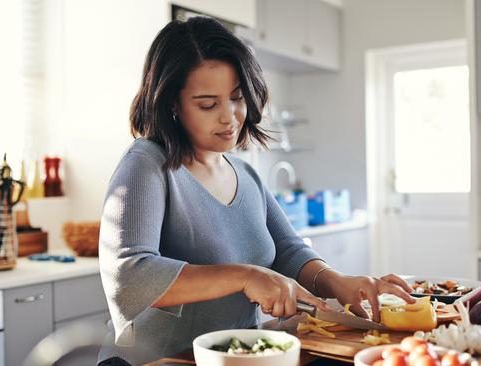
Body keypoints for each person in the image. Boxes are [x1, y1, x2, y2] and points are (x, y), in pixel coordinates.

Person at [97, 16, 415, 366]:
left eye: (236, 98)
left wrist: (336, 281)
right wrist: (246, 276)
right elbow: (129, 275)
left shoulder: (244, 173)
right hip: (156, 360)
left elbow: (289, 251)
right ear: (172, 103)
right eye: (207, 104)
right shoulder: (146, 163)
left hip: (237, 356)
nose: (230, 117)